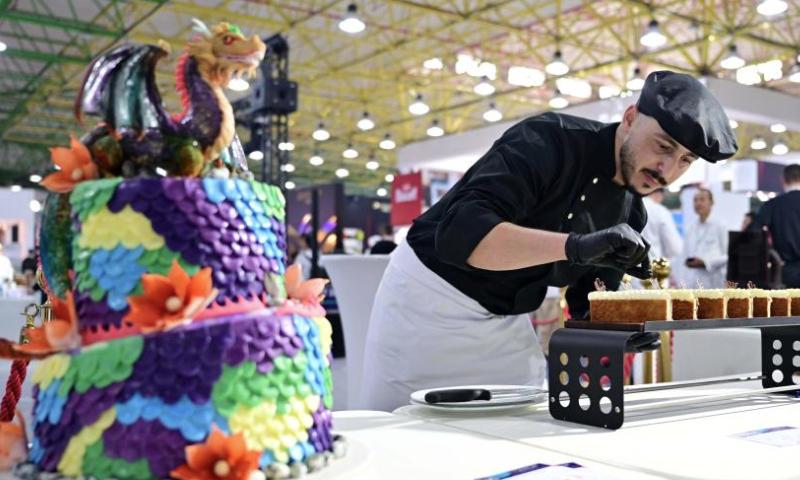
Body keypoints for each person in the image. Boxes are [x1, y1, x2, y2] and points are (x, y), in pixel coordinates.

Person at [361, 71, 738, 411]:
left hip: (504, 321)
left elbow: (585, 305)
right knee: (403, 427)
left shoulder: (631, 214)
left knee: (517, 427)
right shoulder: (548, 140)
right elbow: (462, 236)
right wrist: (574, 246)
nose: (668, 171)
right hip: (427, 301)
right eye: (663, 147)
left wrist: (614, 332)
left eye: (685, 160)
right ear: (629, 117)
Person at [748, 164, 800, 287]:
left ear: (783, 180)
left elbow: (752, 232)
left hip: (786, 272)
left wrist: (770, 252)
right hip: (786, 270)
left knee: (788, 306)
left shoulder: (773, 205)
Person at [679, 188, 729, 289]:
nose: (698, 203)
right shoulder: (690, 228)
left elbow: (727, 256)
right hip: (692, 284)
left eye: (702, 199)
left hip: (713, 284)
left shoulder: (720, 225)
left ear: (711, 202)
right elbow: (684, 256)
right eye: (695, 200)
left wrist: (705, 263)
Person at [641, 188, 683, 264]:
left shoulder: (627, 205)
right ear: (659, 194)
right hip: (651, 268)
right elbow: (675, 248)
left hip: (622, 270)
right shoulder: (660, 211)